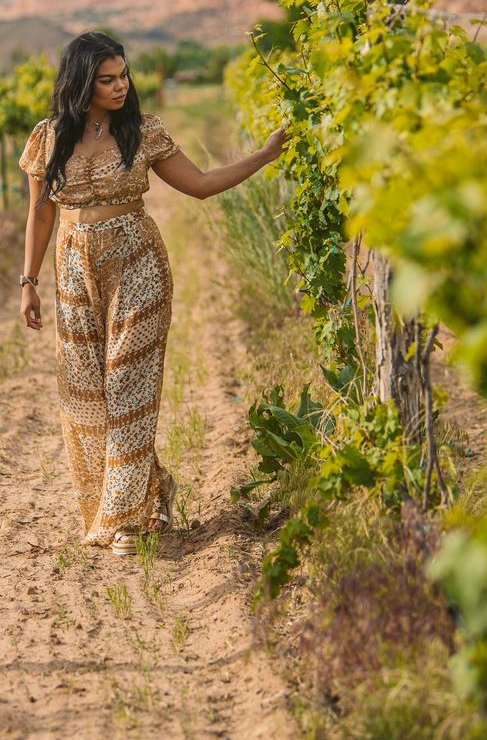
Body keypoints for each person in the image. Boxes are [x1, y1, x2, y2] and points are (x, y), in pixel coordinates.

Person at [17, 31, 286, 556]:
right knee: (86, 399)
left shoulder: (143, 133)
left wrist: (266, 155)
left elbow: (202, 184)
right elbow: (40, 213)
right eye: (107, 78)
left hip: (137, 265)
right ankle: (153, 489)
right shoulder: (47, 139)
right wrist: (28, 282)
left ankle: (124, 522)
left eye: (124, 76)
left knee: (129, 391)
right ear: (81, 83)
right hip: (72, 272)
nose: (121, 86)